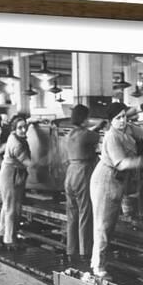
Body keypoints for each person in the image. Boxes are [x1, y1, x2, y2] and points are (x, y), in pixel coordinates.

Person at [90, 102, 143, 277]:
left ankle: (99, 261)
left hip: (117, 181)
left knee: (109, 225)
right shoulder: (112, 137)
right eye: (118, 118)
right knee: (103, 225)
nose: (122, 120)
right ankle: (98, 267)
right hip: (106, 179)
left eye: (124, 116)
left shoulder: (127, 128)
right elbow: (122, 163)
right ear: (110, 121)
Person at [63, 104, 100, 263]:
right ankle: (85, 251)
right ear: (84, 118)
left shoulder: (70, 134)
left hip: (70, 173)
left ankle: (71, 251)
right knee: (85, 211)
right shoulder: (86, 135)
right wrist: (102, 125)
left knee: (72, 213)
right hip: (82, 172)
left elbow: (89, 132)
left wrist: (95, 127)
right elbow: (96, 136)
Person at [0, 115, 31, 250]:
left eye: (25, 127)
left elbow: (22, 124)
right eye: (20, 128)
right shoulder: (16, 144)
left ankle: (2, 234)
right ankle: (9, 240)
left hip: (10, 173)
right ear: (14, 129)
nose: (23, 130)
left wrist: (31, 121)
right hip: (10, 175)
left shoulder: (13, 136)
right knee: (11, 208)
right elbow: (29, 163)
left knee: (6, 206)